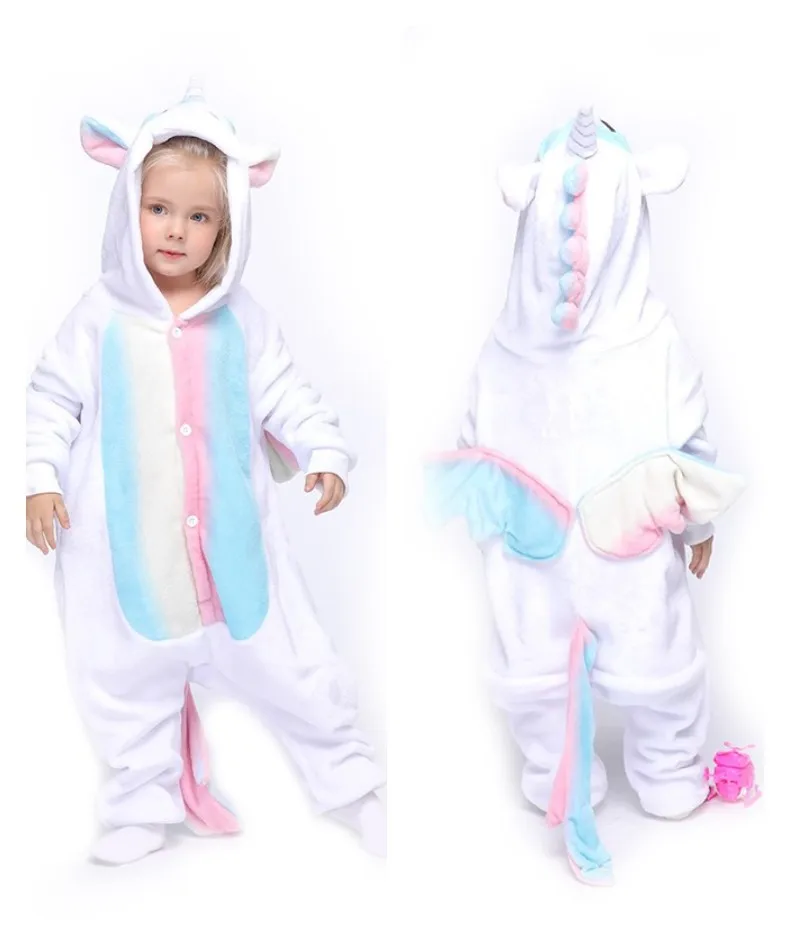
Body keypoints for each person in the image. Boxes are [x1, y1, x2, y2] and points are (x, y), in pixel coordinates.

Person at [25, 81, 386, 866]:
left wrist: (323, 450)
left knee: (296, 667)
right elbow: (51, 398)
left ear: (228, 227)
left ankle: (351, 782)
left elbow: (287, 392)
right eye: (159, 209)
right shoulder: (98, 317)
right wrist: (41, 479)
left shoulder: (243, 319)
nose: (176, 230)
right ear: (128, 205)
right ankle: (140, 801)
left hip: (234, 552)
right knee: (124, 683)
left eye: (199, 217)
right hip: (128, 555)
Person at [425, 107, 745, 885]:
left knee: (535, 661)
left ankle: (557, 774)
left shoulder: (502, 347)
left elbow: (473, 437)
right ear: (634, 223)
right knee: (657, 655)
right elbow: (690, 436)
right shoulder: (655, 340)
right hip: (624, 543)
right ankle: (667, 773)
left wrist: (494, 519)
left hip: (532, 550)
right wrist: (699, 522)